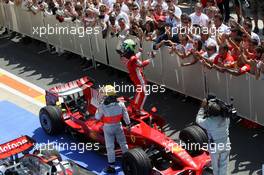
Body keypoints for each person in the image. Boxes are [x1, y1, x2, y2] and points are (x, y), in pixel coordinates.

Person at [95, 85, 131, 173]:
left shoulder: (102, 106)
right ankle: (129, 161)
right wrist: (128, 125)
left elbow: (97, 117)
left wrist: (97, 110)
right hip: (118, 126)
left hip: (108, 128)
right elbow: (126, 117)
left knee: (110, 147)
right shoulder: (121, 104)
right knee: (123, 144)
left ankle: (111, 167)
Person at [196, 98, 231, 175]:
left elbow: (198, 120)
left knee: (215, 166)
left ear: (210, 112)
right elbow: (225, 110)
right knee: (224, 164)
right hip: (226, 143)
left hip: (215, 146)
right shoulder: (226, 118)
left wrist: (202, 107)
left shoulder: (208, 122)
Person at [121, 39, 152, 115]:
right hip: (138, 78)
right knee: (144, 93)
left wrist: (140, 52)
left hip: (134, 77)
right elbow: (141, 64)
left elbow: (135, 57)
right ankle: (139, 110)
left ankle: (135, 106)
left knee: (139, 92)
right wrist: (151, 58)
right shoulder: (133, 58)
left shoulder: (127, 56)